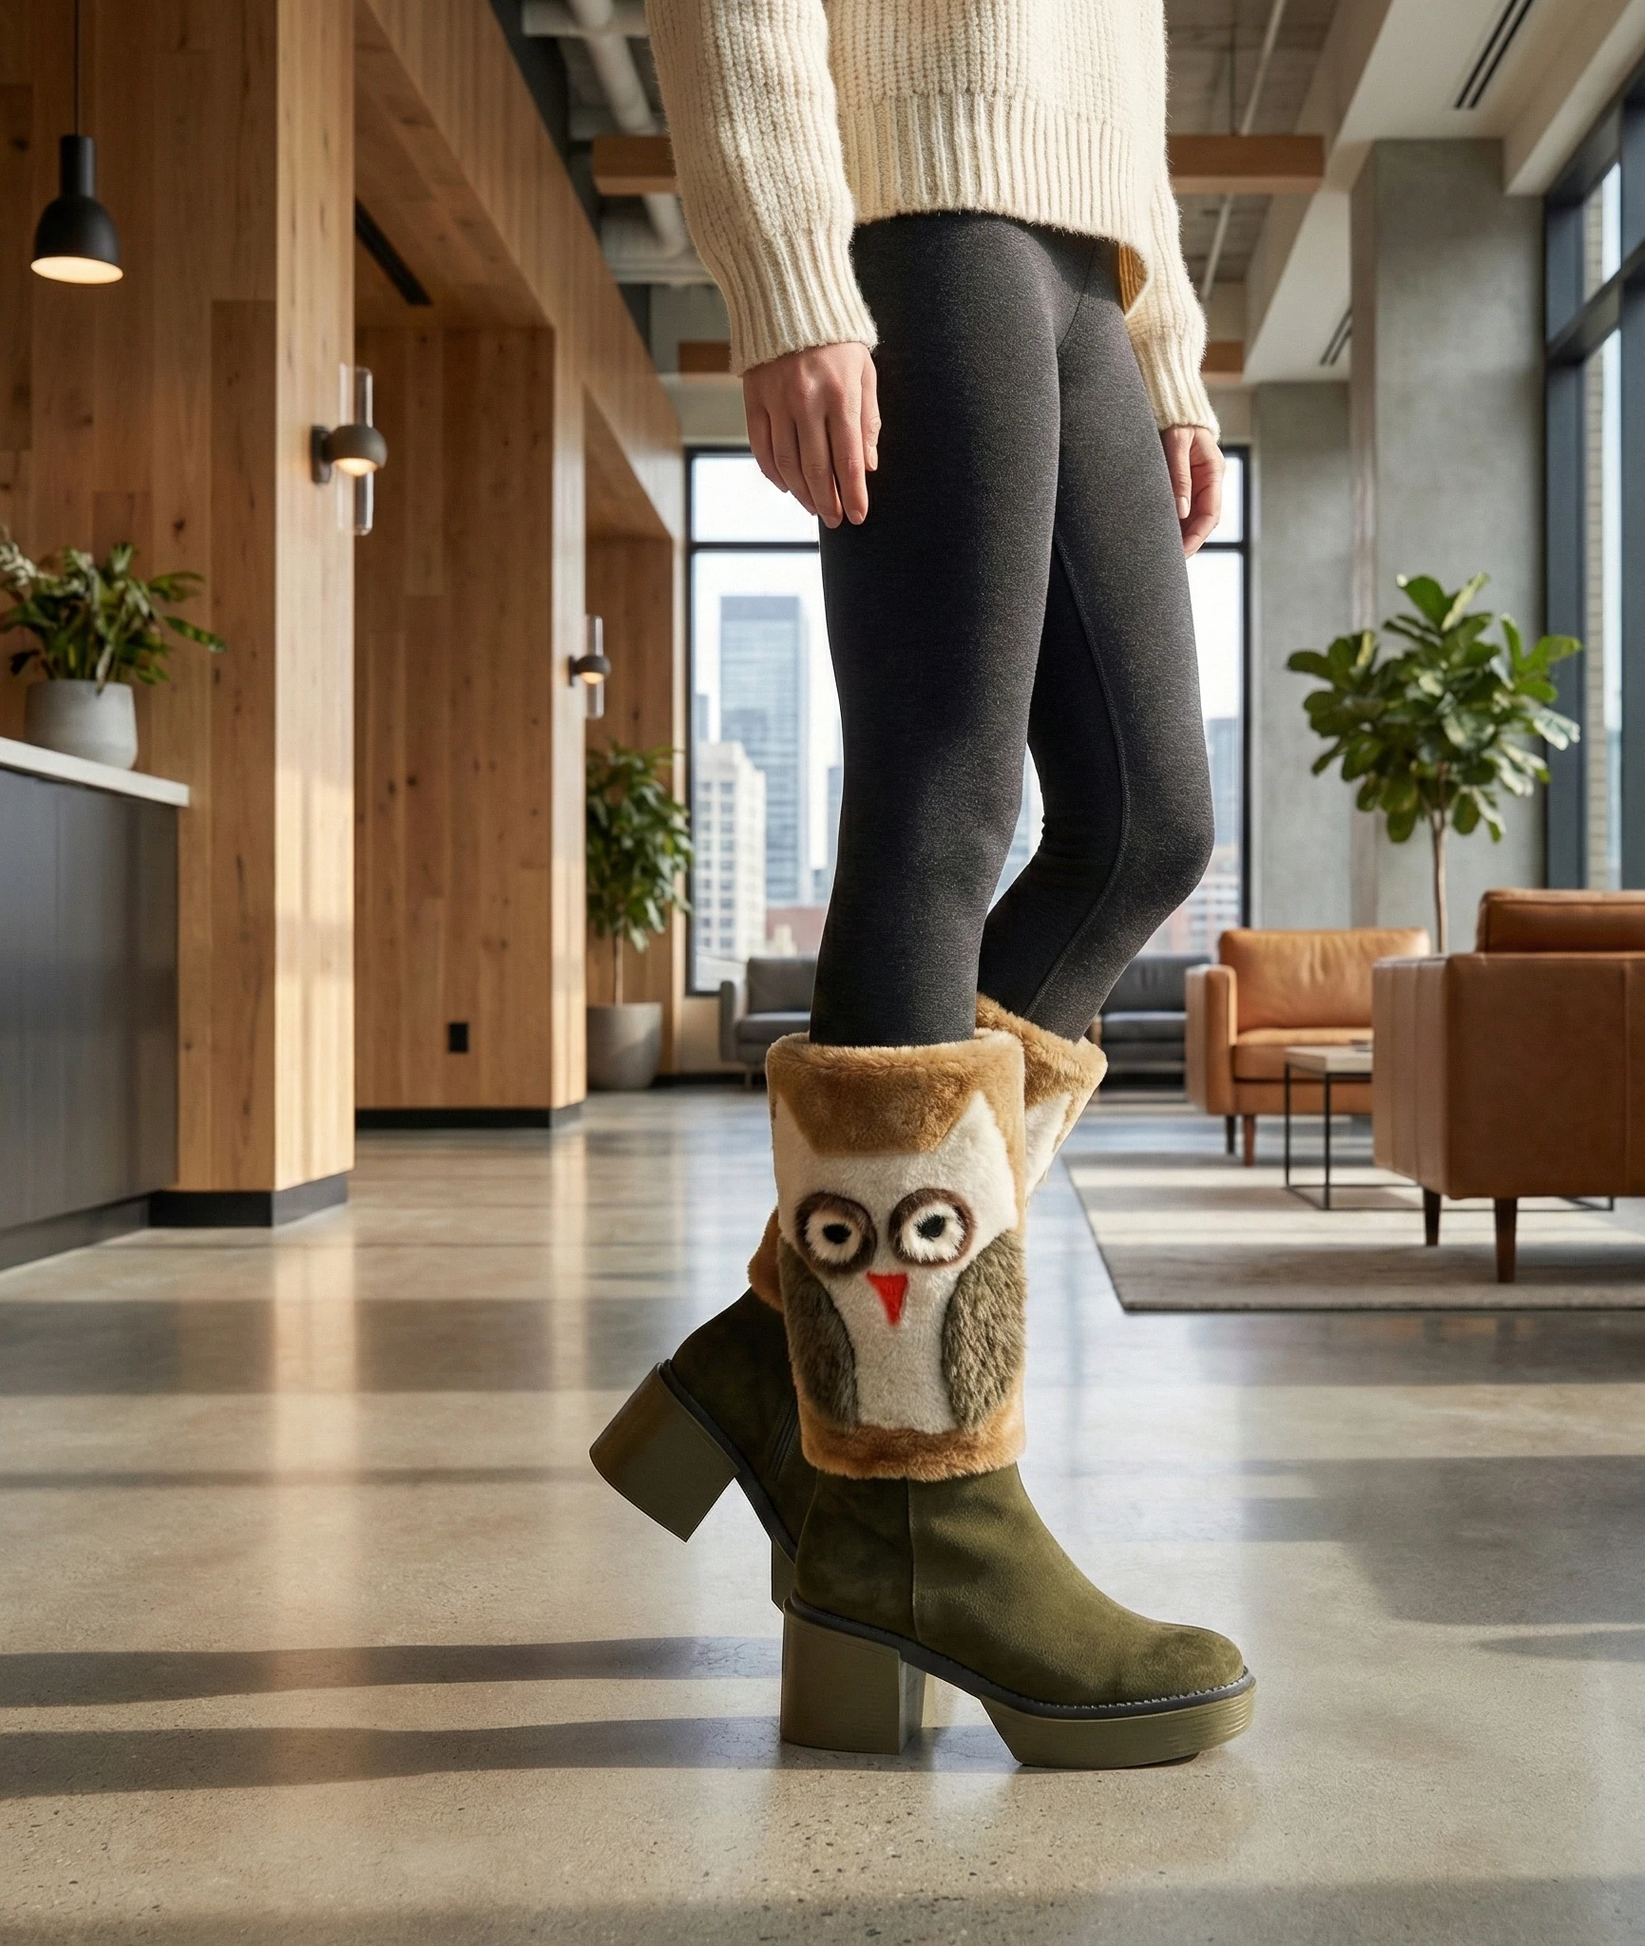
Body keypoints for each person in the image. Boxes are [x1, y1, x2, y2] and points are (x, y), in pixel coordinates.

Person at [590, 0, 1254, 1769]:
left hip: (1082, 264)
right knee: (941, 803)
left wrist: (1166, 342)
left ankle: (779, 1354)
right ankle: (908, 1501)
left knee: (1145, 829)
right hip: (913, 219)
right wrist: (796, 278)